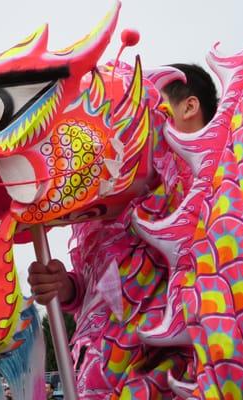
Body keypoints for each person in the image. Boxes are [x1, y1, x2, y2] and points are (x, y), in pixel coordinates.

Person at [28, 63, 218, 397]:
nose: (136, 122)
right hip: (98, 374)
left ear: (189, 106)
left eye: (151, 109)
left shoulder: (218, 189)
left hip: (175, 375)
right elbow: (102, 291)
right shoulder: (118, 196)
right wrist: (66, 287)